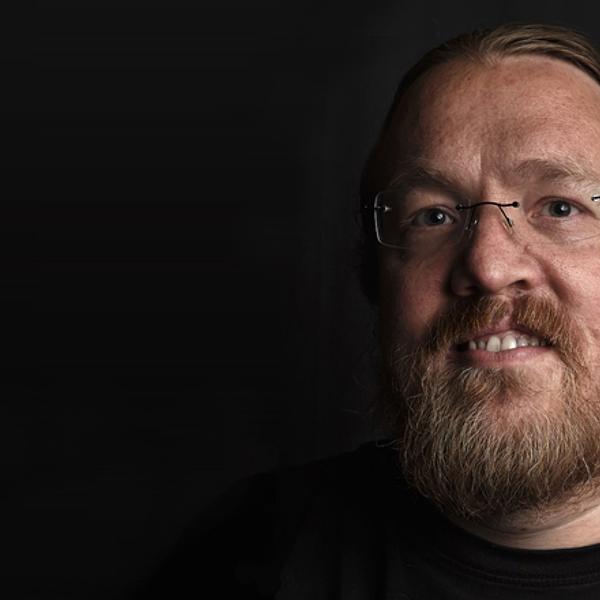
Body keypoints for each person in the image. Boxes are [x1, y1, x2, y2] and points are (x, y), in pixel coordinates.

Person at [136, 23, 600, 599]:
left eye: (560, 207)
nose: (488, 265)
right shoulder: (253, 553)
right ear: (374, 279)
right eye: (432, 216)